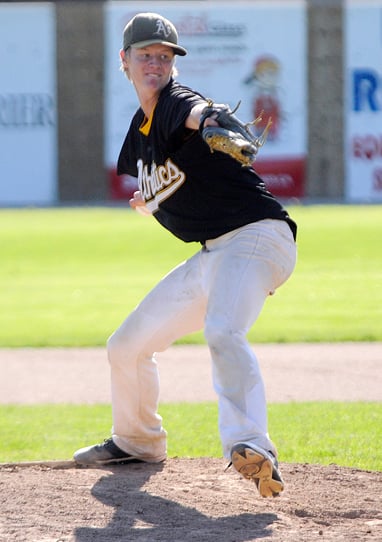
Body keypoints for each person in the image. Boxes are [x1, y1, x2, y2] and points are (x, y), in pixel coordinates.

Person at [74, 12, 297, 498]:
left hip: (258, 236)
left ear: (173, 64)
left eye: (164, 56)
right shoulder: (142, 130)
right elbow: (156, 179)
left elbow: (200, 113)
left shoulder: (177, 101)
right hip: (214, 253)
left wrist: (217, 122)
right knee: (126, 346)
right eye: (145, 55)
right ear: (125, 60)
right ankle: (136, 440)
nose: (155, 63)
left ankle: (251, 446)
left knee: (222, 328)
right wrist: (145, 198)